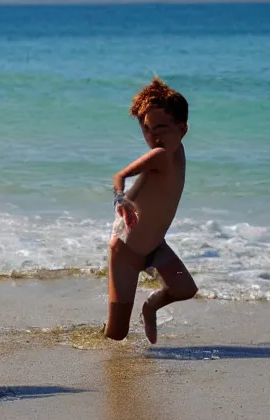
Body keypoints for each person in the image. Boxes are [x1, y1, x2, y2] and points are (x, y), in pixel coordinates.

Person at [105, 78, 198, 344]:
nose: (154, 137)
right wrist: (120, 199)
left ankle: (150, 307)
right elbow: (119, 175)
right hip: (126, 251)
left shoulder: (177, 151)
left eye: (161, 128)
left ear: (183, 128)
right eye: (147, 130)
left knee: (185, 288)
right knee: (116, 334)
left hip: (155, 247)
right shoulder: (159, 155)